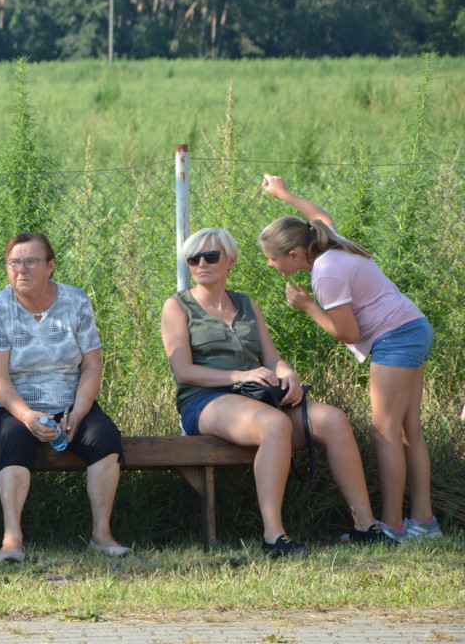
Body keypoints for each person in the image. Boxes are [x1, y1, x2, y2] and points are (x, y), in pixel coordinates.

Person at [161, 228, 388, 558]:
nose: (201, 264)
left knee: (333, 420)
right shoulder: (177, 306)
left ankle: (365, 527)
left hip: (256, 397)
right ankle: (274, 537)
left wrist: (288, 375)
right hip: (204, 400)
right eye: (193, 259)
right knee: (274, 424)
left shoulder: (245, 303)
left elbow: (271, 358)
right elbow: (183, 371)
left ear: (230, 261)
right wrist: (240, 374)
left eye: (210, 257)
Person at [259, 174, 442, 542]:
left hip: (396, 339)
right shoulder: (326, 242)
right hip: (413, 326)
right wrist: (286, 195)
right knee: (408, 429)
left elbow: (349, 334)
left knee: (385, 431)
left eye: (272, 259)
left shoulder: (326, 273)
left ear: (294, 255)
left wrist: (308, 307)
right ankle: (424, 522)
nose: (270, 265)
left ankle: (391, 527)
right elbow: (319, 214)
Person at [0, 232, 131, 563]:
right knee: (14, 439)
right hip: (15, 404)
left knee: (104, 436)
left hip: (71, 399)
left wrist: (79, 409)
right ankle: (12, 539)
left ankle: (101, 535)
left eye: (31, 261)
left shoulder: (76, 302)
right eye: (14, 262)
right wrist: (27, 415)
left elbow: (92, 365)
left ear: (50, 265)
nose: (21, 270)